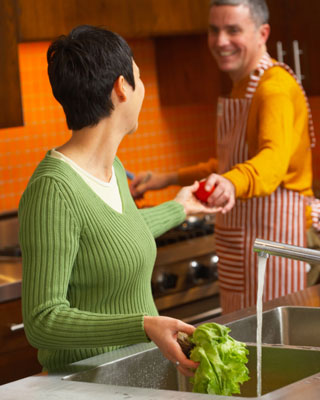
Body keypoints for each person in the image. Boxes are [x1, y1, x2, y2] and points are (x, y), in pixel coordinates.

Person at [18, 25, 221, 375]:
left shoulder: (112, 166)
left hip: (133, 375)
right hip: (86, 385)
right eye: (139, 78)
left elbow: (113, 235)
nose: (142, 89)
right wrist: (142, 325)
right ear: (121, 88)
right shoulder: (53, 189)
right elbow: (42, 319)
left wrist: (180, 207)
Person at [130, 0, 316, 314]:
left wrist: (230, 183)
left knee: (277, 346)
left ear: (262, 33)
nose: (220, 41)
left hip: (280, 236)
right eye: (214, 30)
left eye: (233, 30)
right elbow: (229, 163)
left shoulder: (274, 89)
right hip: (247, 235)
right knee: (245, 338)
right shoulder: (241, 87)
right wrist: (165, 179)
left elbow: (271, 163)